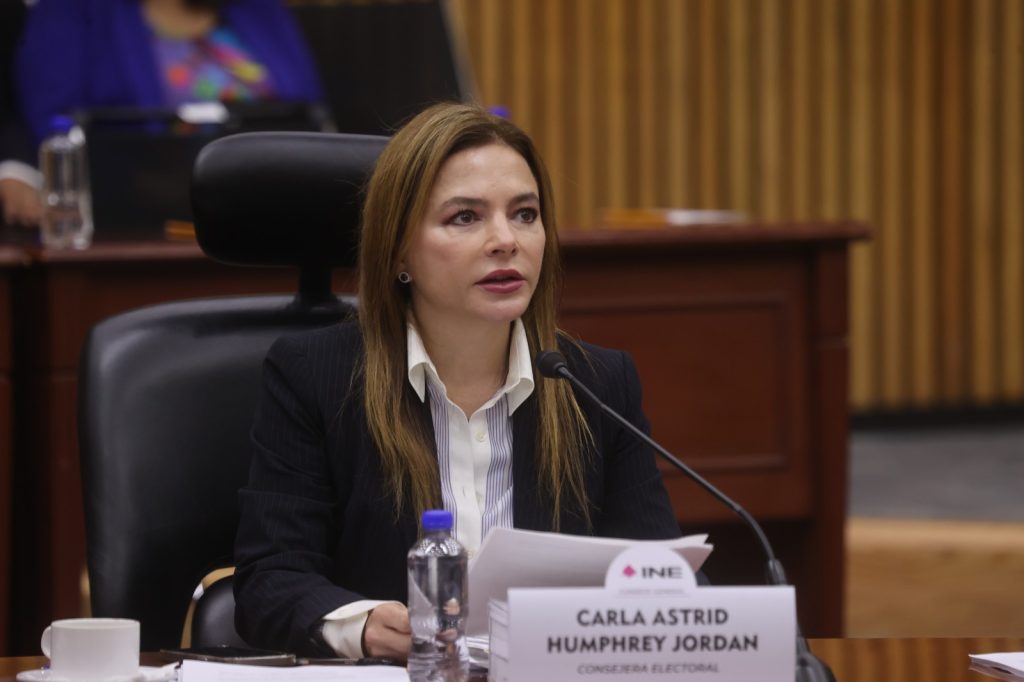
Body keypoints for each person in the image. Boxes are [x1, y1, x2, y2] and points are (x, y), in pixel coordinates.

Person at [233, 102, 680, 660]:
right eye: (465, 217)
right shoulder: (316, 378)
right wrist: (363, 624)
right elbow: (269, 581)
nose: (505, 241)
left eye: (525, 213)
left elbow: (659, 574)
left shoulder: (596, 384)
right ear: (399, 250)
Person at [1, 0, 322, 225]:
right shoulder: (76, 8)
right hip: (132, 222)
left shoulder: (257, 8)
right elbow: (50, 121)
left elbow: (310, 113)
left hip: (268, 214)